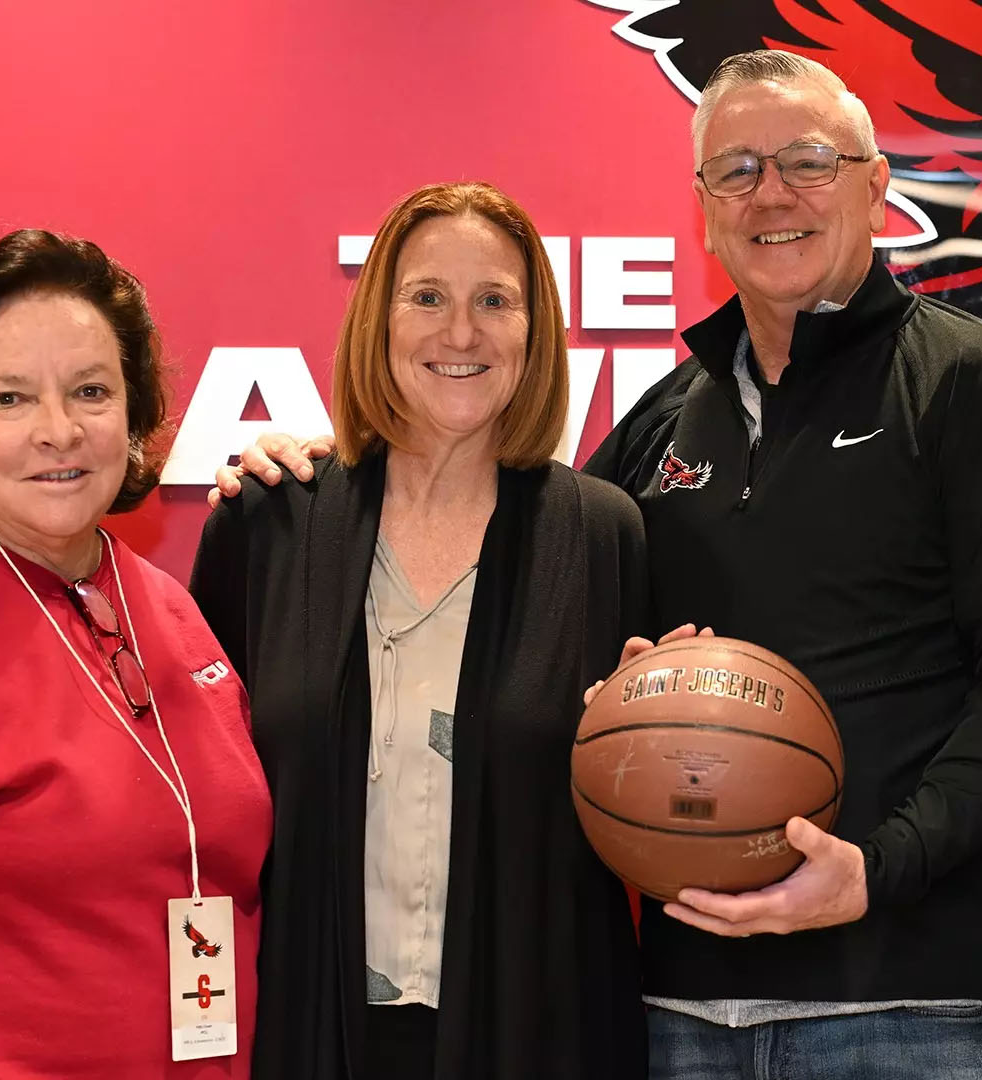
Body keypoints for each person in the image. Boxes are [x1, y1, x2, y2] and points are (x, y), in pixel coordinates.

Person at [216, 48, 982, 1079]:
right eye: (735, 170)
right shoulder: (664, 422)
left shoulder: (979, 384)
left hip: (904, 999)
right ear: (703, 206)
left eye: (808, 161)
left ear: (874, 185)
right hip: (683, 1012)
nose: (771, 193)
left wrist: (881, 867)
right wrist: (329, 461)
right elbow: (509, 562)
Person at [188, 181, 647, 1080]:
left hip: (543, 1036)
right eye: (427, 297)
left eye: (495, 301)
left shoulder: (602, 535)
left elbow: (643, 800)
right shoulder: (268, 525)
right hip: (306, 1033)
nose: (461, 333)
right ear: (379, 320)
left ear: (535, 330)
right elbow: (193, 799)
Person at [0, 229, 272, 1078]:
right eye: (8, 399)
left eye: (90, 391)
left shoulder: (171, 606)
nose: (59, 430)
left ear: (134, 416)